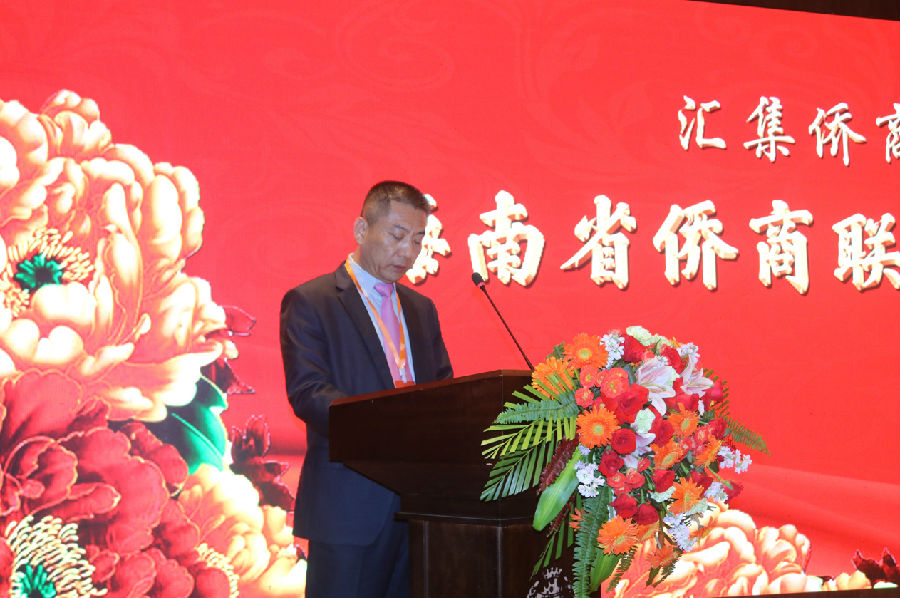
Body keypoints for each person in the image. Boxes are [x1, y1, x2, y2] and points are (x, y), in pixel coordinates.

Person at [279, 180, 453, 597]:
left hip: (417, 511)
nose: (408, 251)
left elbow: (444, 393)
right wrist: (390, 424)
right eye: (397, 235)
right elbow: (309, 393)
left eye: (418, 240)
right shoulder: (312, 301)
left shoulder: (421, 310)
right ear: (362, 230)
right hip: (348, 510)